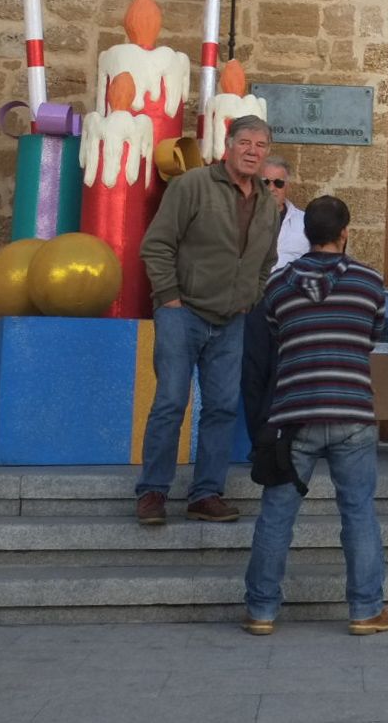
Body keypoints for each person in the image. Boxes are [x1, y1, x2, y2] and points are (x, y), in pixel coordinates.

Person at [242, 195, 388, 636]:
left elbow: (276, 335)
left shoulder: (277, 285)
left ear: (305, 232)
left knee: (276, 513)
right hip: (351, 408)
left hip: (293, 413)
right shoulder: (369, 282)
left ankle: (261, 610)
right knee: (358, 512)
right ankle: (366, 609)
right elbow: (371, 337)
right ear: (345, 231)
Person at [135, 115, 279, 525]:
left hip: (232, 319)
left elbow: (266, 261)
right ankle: (152, 493)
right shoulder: (191, 186)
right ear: (228, 145)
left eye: (261, 145)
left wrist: (251, 296)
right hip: (184, 314)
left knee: (221, 408)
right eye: (246, 142)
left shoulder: (268, 203)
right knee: (170, 402)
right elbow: (157, 245)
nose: (253, 151)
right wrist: (169, 298)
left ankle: (206, 494)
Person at [241, 155, 309, 441]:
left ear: (287, 186)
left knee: (282, 372)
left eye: (278, 182)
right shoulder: (241, 217)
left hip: (289, 308)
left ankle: (271, 437)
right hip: (253, 304)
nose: (272, 187)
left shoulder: (305, 223)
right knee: (252, 373)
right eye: (266, 181)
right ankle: (259, 440)